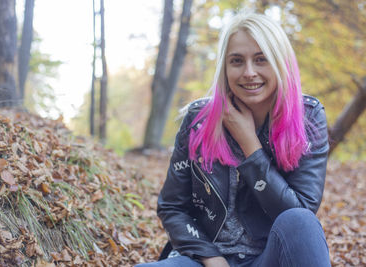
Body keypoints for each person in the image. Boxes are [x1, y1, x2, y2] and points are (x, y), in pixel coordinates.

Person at [136, 12, 331, 267]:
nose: (249, 72)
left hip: (269, 259)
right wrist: (212, 258)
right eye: (237, 61)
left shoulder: (308, 117)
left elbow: (299, 216)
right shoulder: (199, 120)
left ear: (280, 63)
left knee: (300, 220)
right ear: (224, 67)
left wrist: (250, 145)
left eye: (261, 59)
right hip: (206, 260)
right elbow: (173, 207)